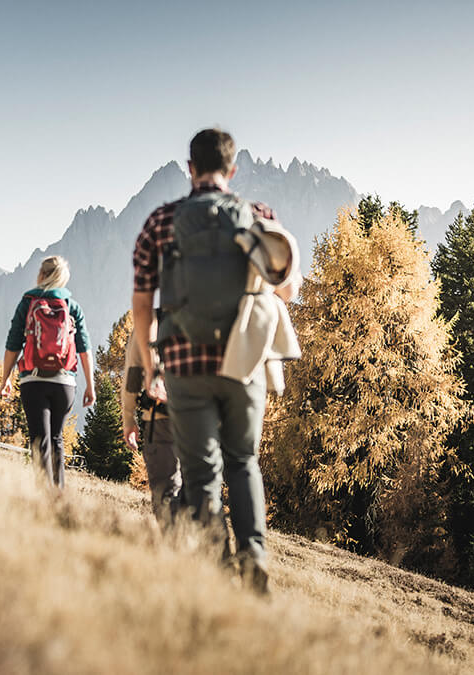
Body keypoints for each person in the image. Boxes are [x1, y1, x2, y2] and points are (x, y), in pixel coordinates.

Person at [132, 128, 292, 594]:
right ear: (232, 169)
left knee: (201, 473)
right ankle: (255, 556)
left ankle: (219, 574)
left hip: (184, 365)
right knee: (243, 460)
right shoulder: (257, 216)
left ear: (189, 167)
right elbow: (287, 289)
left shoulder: (161, 222)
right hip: (244, 361)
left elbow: (142, 305)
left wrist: (150, 365)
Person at [2, 256, 95, 488]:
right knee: (57, 439)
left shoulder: (28, 302)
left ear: (41, 276)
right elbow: (84, 349)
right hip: (65, 383)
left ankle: (45, 499)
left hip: (34, 380)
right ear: (63, 279)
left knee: (39, 441)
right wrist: (91, 386)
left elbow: (13, 343)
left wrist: (5, 378)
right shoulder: (72, 306)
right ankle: (59, 497)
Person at [121, 321, 182, 529]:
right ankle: (209, 553)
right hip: (203, 420)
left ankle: (174, 549)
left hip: (160, 419)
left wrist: (129, 417)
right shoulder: (213, 315)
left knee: (167, 495)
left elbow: (133, 375)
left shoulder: (151, 321)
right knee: (203, 492)